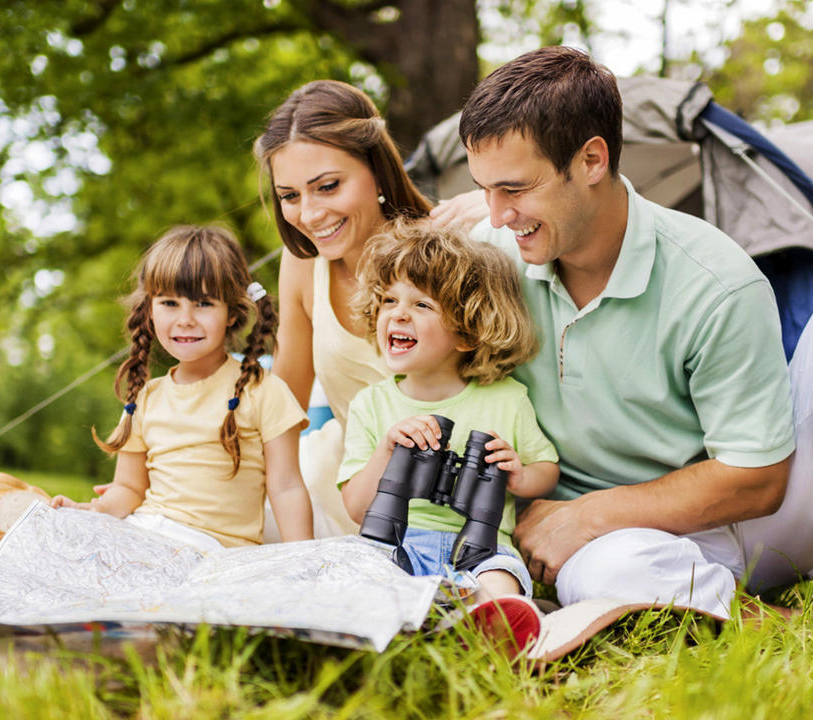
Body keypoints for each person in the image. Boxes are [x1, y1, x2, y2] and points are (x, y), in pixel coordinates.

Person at [453, 45, 813, 689]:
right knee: (602, 573)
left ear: (592, 159)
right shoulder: (492, 255)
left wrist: (588, 514)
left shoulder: (713, 277)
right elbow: (394, 281)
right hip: (632, 553)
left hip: (757, 518)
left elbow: (759, 480)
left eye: (515, 188)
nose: (497, 214)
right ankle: (802, 622)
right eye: (484, 190)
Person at [337, 219, 559, 652]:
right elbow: (356, 509)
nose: (398, 314)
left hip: (482, 545)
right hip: (395, 542)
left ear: (466, 332)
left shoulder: (507, 399)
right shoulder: (372, 406)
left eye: (422, 305)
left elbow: (546, 469)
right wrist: (388, 449)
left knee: (501, 577)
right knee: (358, 568)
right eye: (388, 301)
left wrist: (519, 475)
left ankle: (487, 624)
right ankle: (412, 627)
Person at [52, 225, 313, 552]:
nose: (186, 319)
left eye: (203, 304)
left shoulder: (263, 391)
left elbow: (286, 487)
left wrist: (304, 560)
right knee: (47, 541)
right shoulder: (146, 398)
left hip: (213, 554)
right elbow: (129, 488)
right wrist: (94, 511)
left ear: (231, 313)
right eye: (170, 303)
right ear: (149, 309)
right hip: (146, 535)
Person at [253, 80, 435, 538]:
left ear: (376, 168)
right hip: (343, 483)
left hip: (442, 496)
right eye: (290, 195)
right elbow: (284, 407)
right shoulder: (302, 266)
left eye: (328, 186)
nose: (310, 214)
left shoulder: (442, 253)